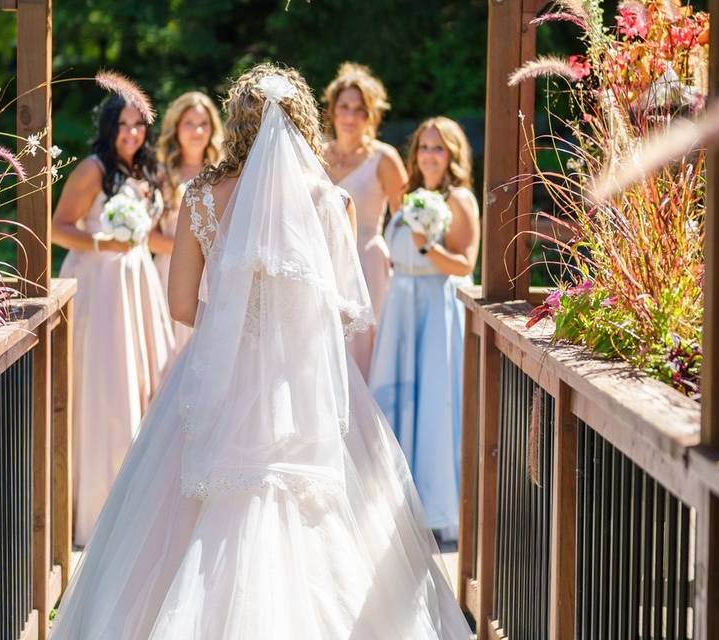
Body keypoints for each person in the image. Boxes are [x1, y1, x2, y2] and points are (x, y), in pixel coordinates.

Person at [50, 64, 470, 639]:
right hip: (302, 384)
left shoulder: (202, 196)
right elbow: (344, 309)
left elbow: (180, 306)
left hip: (217, 374)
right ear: (301, 119)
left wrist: (234, 325)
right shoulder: (332, 202)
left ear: (237, 121)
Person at [52, 88, 176, 546]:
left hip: (138, 283)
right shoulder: (93, 169)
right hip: (102, 285)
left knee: (147, 384)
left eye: (138, 124)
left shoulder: (146, 172)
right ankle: (98, 509)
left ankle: (142, 504)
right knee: (107, 390)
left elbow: (155, 238)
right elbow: (57, 227)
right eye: (123, 125)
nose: (131, 132)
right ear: (108, 127)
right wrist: (105, 243)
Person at [369, 116, 481, 543]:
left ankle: (436, 508)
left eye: (438, 148)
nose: (429, 156)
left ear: (452, 154)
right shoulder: (410, 197)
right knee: (394, 401)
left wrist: (425, 246)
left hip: (436, 308)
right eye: (423, 147)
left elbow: (465, 263)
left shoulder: (459, 200)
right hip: (401, 306)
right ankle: (393, 506)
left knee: (433, 405)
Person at [322, 62, 408, 378]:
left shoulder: (383, 158)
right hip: (322, 260)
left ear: (369, 115)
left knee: (364, 346)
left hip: (368, 263)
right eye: (344, 106)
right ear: (331, 110)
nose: (349, 116)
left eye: (359, 109)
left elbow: (405, 222)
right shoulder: (315, 155)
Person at [153, 91, 223, 350]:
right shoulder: (161, 174)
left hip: (212, 274)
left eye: (203, 124)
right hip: (167, 273)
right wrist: (190, 254)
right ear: (176, 128)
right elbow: (148, 236)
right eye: (189, 123)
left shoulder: (222, 174)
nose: (197, 131)